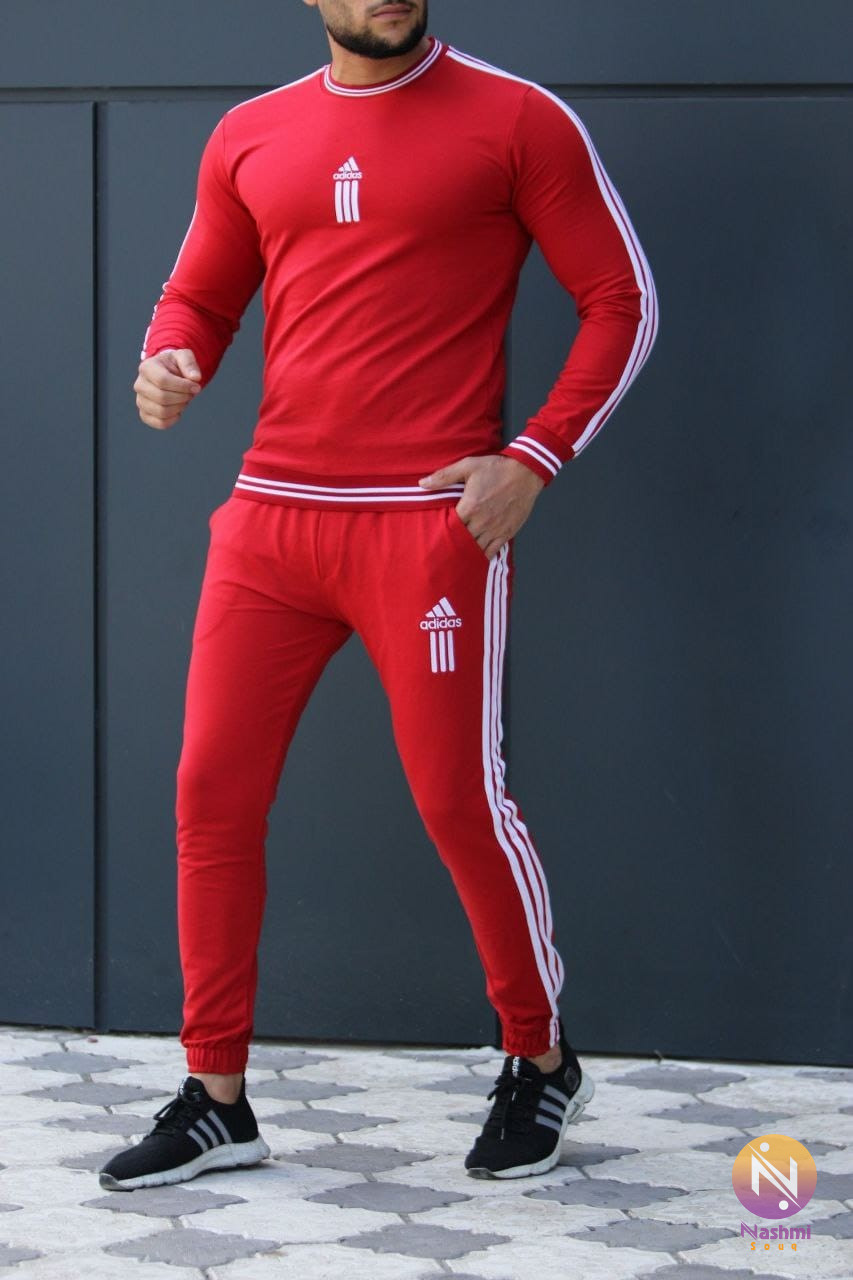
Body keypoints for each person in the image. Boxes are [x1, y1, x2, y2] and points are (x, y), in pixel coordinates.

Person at [99, 0, 657, 1192]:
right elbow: (200, 295)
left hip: (425, 523)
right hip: (272, 518)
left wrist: (534, 456)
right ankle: (216, 1097)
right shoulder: (248, 133)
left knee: (458, 798)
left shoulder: (517, 119)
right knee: (209, 791)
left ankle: (540, 1057)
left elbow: (624, 300)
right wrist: (170, 357)